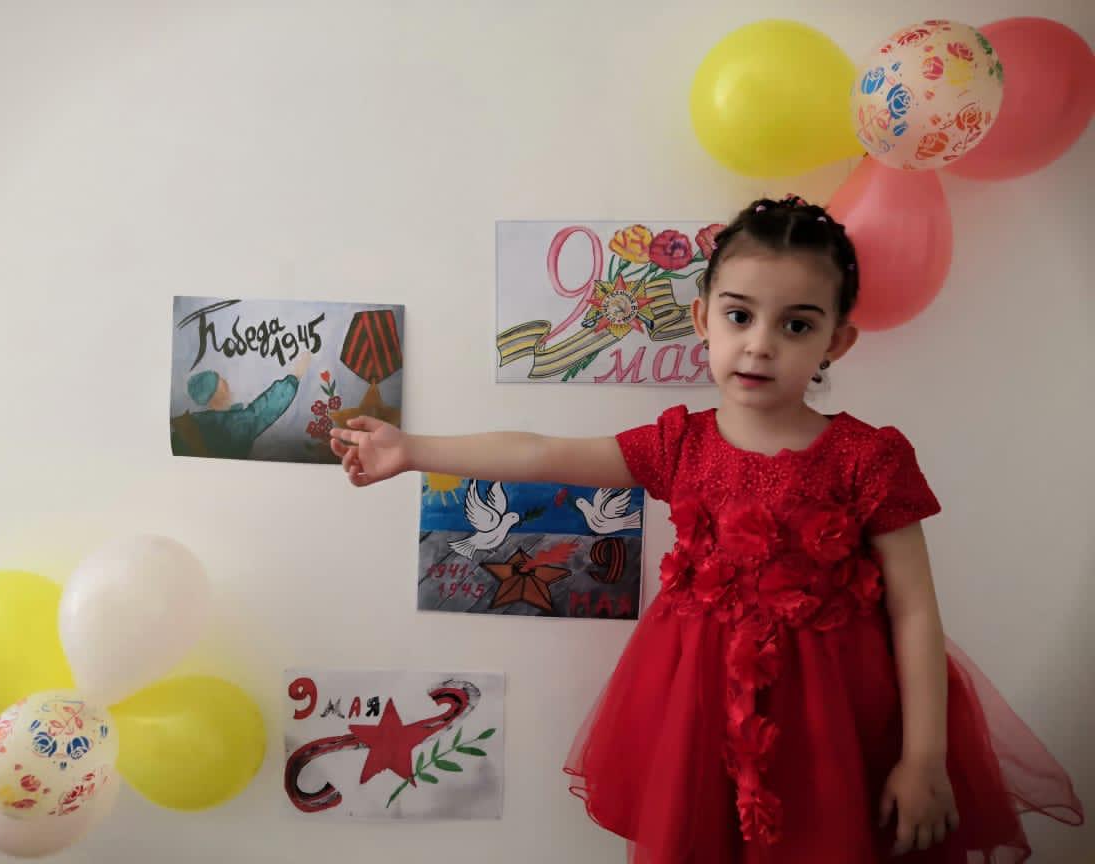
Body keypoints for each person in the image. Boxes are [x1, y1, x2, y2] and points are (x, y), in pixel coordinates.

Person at [329, 196, 1083, 862]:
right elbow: (537, 452)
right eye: (739, 315)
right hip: (698, 706)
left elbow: (915, 611)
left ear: (837, 343)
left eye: (796, 324)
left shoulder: (868, 458)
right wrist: (411, 449)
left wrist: (923, 759)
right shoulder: (679, 445)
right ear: (702, 319)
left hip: (833, 718)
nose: (760, 343)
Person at [171, 349, 311, 459]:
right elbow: (260, 413)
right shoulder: (232, 425)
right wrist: (295, 377)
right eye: (221, 382)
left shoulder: (195, 422)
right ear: (217, 393)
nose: (226, 383)